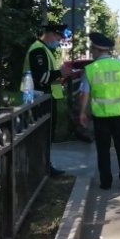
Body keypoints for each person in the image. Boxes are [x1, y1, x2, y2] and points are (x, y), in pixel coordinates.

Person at [78, 32, 120, 190]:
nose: (91, 51)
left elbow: (84, 93)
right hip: (119, 114)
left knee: (103, 150)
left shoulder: (90, 69)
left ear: (97, 50)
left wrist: (82, 112)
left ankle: (106, 182)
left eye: (92, 49)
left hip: (100, 116)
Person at [24, 23, 70, 177]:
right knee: (41, 136)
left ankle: (45, 166)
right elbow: (42, 78)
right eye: (58, 37)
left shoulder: (46, 50)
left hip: (47, 98)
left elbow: (51, 78)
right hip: (38, 98)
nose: (59, 41)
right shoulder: (38, 50)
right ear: (50, 34)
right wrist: (60, 72)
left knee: (47, 135)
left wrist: (61, 77)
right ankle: (39, 169)